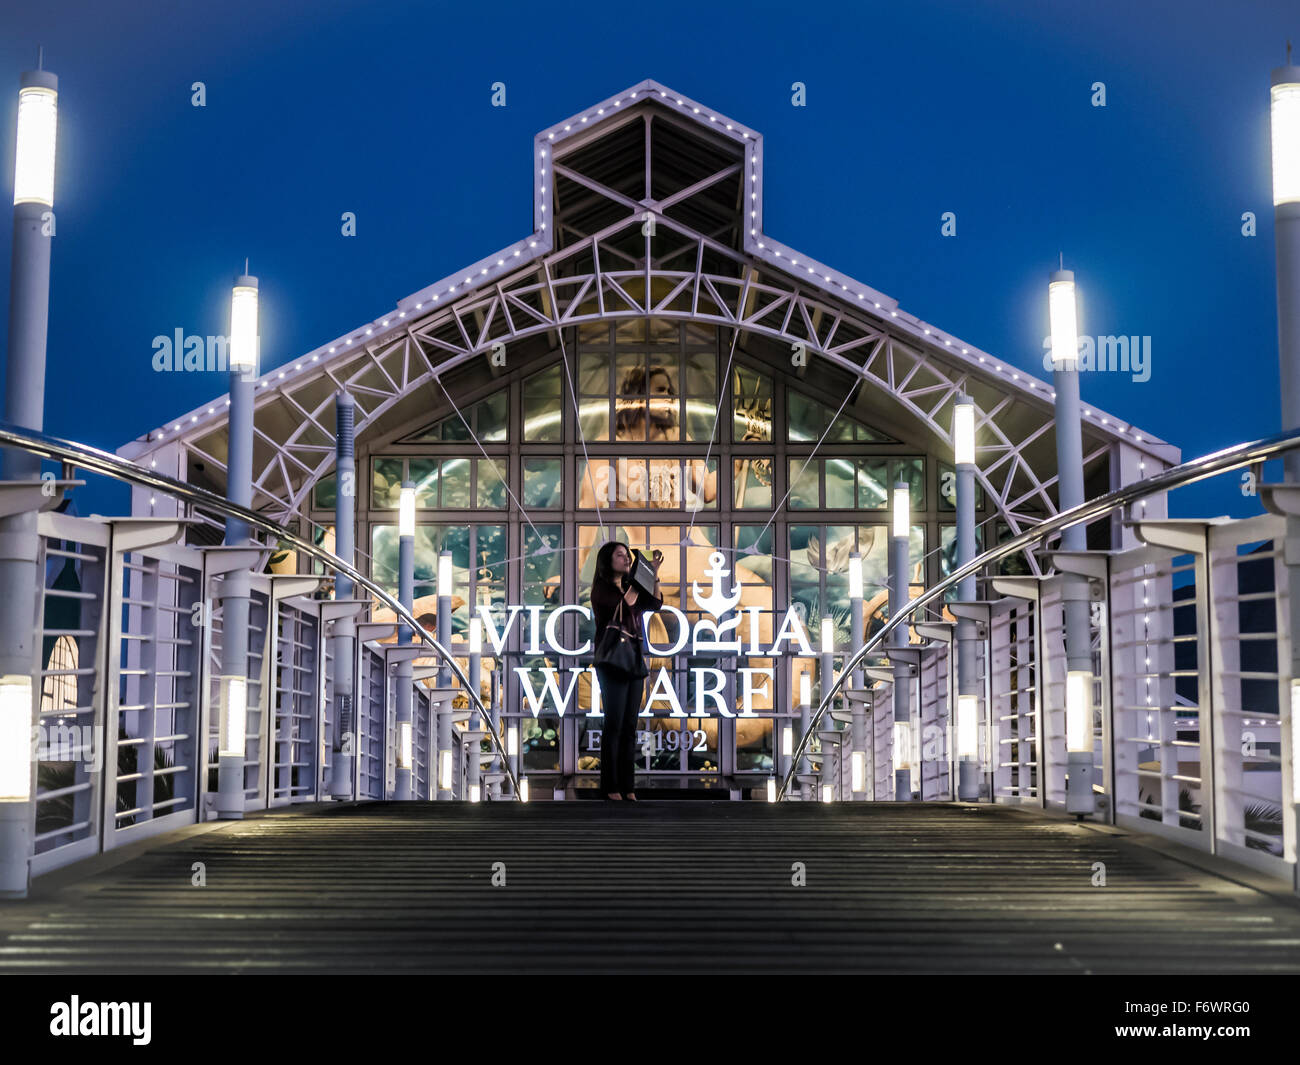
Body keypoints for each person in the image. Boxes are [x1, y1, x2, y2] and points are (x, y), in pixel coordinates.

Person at [590, 540, 663, 800]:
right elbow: (624, 607)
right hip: (611, 662)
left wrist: (653, 576)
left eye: (627, 555)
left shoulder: (631, 586)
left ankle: (628, 787)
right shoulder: (602, 590)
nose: (626, 559)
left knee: (630, 726)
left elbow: (654, 604)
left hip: (633, 660)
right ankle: (610, 787)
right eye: (620, 555)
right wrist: (644, 573)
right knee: (614, 725)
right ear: (607, 561)